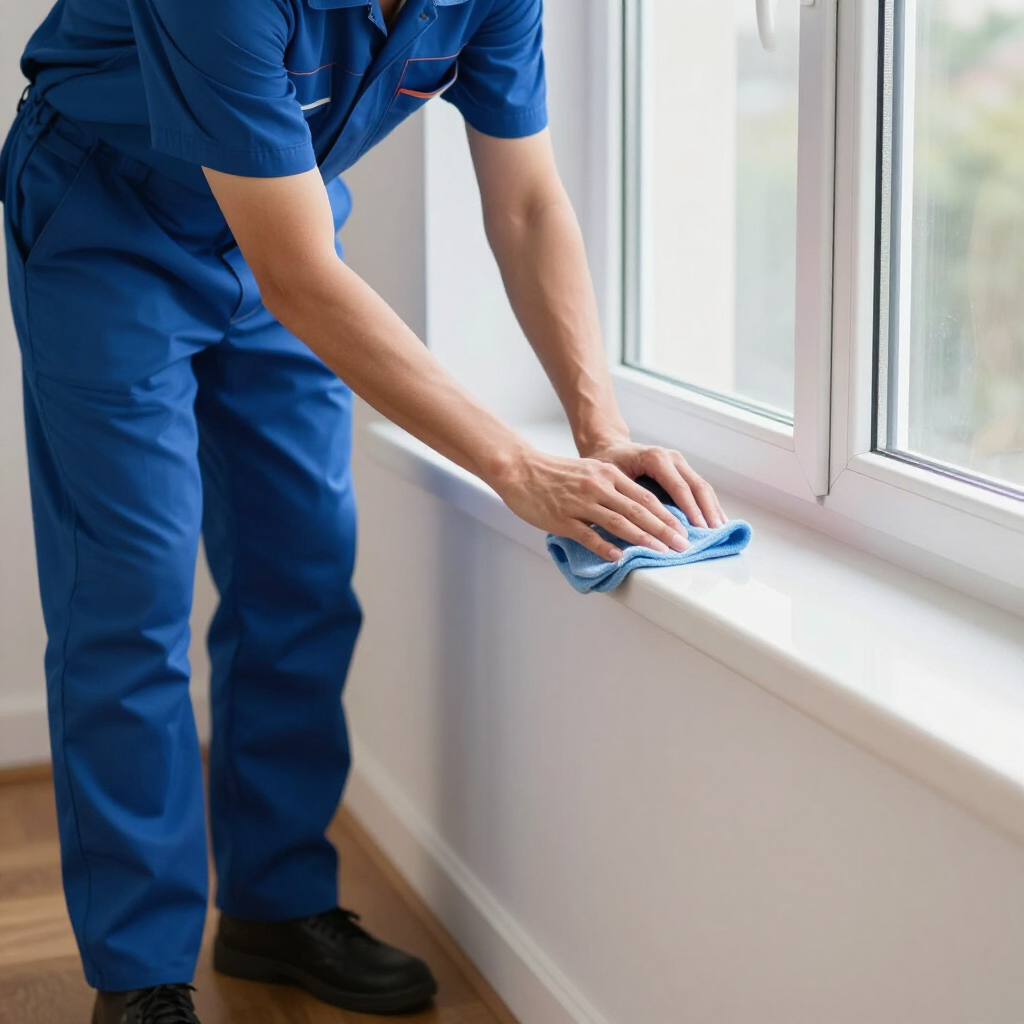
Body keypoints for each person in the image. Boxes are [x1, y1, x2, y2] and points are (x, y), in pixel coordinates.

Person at [0, 0, 726, 1021]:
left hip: (283, 222)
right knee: (130, 600)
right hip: (108, 221)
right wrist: (514, 465)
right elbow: (299, 276)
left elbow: (523, 202)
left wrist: (597, 429)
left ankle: (277, 905)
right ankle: (141, 976)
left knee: (300, 566)